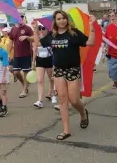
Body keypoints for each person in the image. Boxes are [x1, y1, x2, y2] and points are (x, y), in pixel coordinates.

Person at [32, 10, 96, 141]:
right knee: (62, 99)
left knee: (74, 100)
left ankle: (83, 114)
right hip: (59, 70)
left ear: (67, 20)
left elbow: (90, 42)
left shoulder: (74, 33)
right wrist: (34, 29)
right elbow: (38, 43)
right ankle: (66, 130)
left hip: (72, 69)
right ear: (55, 21)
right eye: (58, 19)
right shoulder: (52, 35)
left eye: (63, 18)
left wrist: (92, 26)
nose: (61, 21)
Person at [8, 14, 34, 98]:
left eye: (21, 18)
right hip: (16, 55)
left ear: (23, 19)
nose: (19, 19)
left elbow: (33, 38)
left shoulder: (28, 28)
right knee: (16, 72)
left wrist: (27, 37)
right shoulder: (13, 29)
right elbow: (10, 42)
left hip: (26, 54)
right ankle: (24, 85)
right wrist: (9, 53)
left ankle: (24, 90)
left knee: (26, 72)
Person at [32, 25, 56, 108]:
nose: (41, 30)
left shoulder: (50, 38)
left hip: (49, 60)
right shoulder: (36, 39)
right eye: (39, 29)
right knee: (40, 80)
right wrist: (33, 62)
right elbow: (35, 50)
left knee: (51, 78)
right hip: (39, 61)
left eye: (43, 28)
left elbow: (54, 51)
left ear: (47, 30)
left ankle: (52, 94)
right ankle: (40, 100)